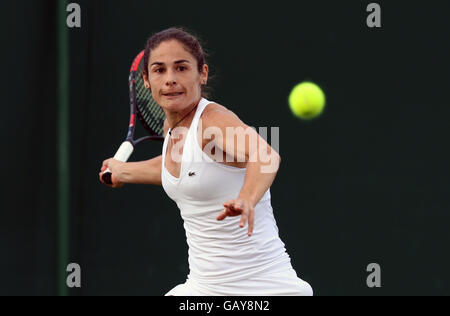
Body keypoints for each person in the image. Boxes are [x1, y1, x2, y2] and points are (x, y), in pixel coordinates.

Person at [99, 27, 313, 296]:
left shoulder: (212, 121)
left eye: (181, 68)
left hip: (265, 290)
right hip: (204, 289)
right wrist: (123, 171)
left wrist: (247, 198)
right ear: (145, 79)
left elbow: (266, 154)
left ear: (202, 74)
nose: (170, 80)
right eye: (159, 70)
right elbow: (180, 168)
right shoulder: (171, 129)